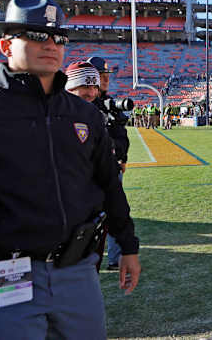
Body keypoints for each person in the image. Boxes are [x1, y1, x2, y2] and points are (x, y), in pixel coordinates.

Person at [0, 0, 140, 339]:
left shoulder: (85, 115)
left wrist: (129, 246)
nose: (50, 44)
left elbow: (108, 185)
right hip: (3, 276)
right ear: (6, 45)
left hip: (76, 273)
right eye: (35, 35)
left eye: (58, 37)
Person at [87, 55, 131, 271]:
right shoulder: (83, 104)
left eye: (106, 75)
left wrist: (121, 156)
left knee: (117, 212)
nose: (105, 79)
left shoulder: (110, 103)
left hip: (111, 170)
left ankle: (114, 259)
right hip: (88, 173)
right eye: (101, 75)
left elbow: (122, 136)